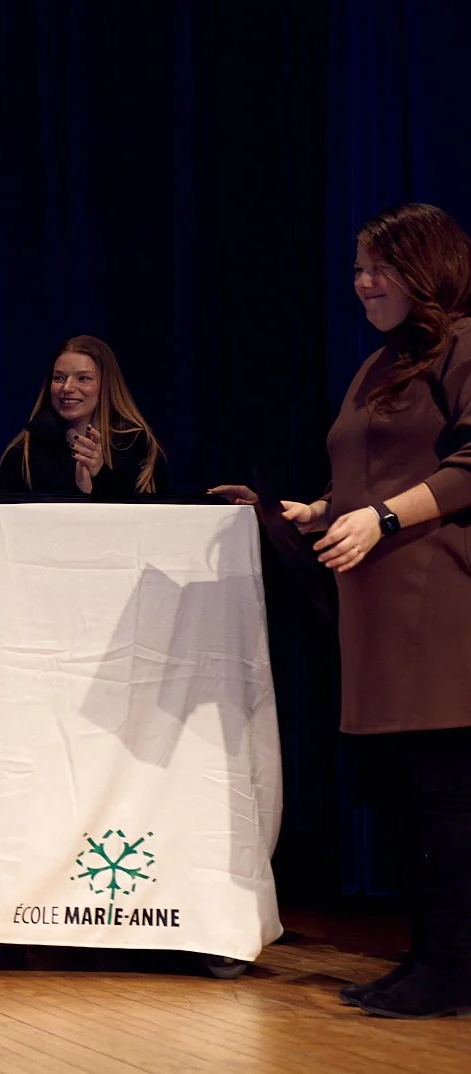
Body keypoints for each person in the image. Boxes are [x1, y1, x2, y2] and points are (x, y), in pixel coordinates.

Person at [220, 203, 471, 1019]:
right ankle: (429, 955)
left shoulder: (464, 344)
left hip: (438, 601)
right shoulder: (377, 366)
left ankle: (450, 967)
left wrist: (385, 517)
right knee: (401, 791)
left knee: (442, 788)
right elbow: (369, 476)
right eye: (357, 269)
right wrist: (322, 508)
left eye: (377, 268)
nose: (360, 283)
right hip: (375, 609)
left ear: (424, 267)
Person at [0, 335, 169, 497]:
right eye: (59, 378)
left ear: (106, 386)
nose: (67, 388)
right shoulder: (24, 452)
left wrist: (100, 478)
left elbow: (151, 522)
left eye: (83, 378)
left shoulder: (138, 447)